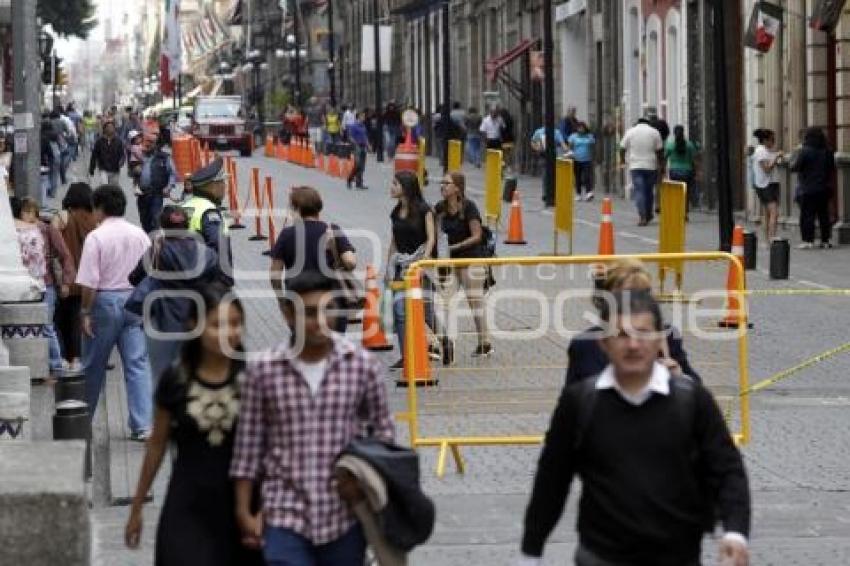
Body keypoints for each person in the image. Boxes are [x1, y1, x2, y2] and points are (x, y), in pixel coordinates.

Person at [520, 290, 751, 566]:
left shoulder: (692, 401)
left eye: (642, 334)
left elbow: (726, 469)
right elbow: (552, 480)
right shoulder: (580, 403)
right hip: (601, 555)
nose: (633, 345)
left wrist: (735, 532)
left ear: (658, 341)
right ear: (604, 343)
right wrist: (530, 552)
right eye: (621, 335)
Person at [231, 269, 395, 566]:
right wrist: (244, 510)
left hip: (344, 515)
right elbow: (248, 447)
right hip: (284, 513)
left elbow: (384, 434)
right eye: (308, 313)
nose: (319, 322)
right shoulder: (264, 370)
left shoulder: (362, 367)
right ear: (287, 314)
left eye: (327, 309)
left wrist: (367, 482)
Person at [125, 284, 264, 566]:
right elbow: (156, 446)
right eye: (217, 325)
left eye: (236, 324)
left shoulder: (256, 379)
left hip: (245, 506)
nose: (228, 333)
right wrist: (137, 506)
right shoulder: (175, 380)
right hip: (188, 502)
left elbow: (272, 450)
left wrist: (266, 511)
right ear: (194, 325)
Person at [76, 185, 153, 441]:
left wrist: (85, 311)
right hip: (135, 301)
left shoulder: (96, 237)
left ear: (99, 208)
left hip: (105, 303)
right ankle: (142, 425)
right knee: (137, 364)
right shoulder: (140, 234)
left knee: (93, 364)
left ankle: (82, 420)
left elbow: (89, 281)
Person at [127, 206, 225, 383]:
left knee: (163, 378)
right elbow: (219, 283)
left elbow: (134, 278)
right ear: (187, 226)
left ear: (162, 227)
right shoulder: (207, 253)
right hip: (198, 321)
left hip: (162, 323)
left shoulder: (156, 251)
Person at [565, 258, 700, 386]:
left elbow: (697, 391)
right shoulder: (584, 345)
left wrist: (679, 377)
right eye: (625, 296)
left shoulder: (666, 335)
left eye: (643, 294)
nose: (635, 302)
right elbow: (571, 403)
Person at [269, 186, 357, 334]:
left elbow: (275, 274)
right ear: (318, 208)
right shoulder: (331, 229)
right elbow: (350, 262)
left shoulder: (287, 235)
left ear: (296, 209)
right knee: (335, 349)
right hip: (333, 302)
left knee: (307, 351)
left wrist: (281, 299)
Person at [386, 170, 450, 369]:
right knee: (399, 313)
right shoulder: (395, 212)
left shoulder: (424, 210)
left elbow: (431, 237)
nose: (391, 187)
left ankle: (445, 342)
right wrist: (388, 267)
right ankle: (407, 356)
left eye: (395, 184)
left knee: (426, 312)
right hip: (401, 266)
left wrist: (423, 261)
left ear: (405, 188)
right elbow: (394, 241)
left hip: (420, 266)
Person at [13, 197, 76, 374]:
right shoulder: (17, 230)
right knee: (37, 325)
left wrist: (66, 282)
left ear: (35, 212)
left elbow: (65, 255)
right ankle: (47, 363)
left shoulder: (48, 230)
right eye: (24, 211)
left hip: (46, 283)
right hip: (27, 283)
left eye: (29, 211)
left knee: (46, 325)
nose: (26, 215)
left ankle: (56, 364)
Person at [434, 172, 492, 357]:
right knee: (442, 302)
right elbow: (436, 234)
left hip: (471, 260)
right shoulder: (439, 209)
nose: (442, 186)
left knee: (475, 302)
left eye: (447, 183)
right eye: (442, 182)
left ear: (457, 187)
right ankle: (444, 341)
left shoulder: (469, 207)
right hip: (449, 262)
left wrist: (455, 246)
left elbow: (477, 236)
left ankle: (485, 343)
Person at [52, 183, 98, 371]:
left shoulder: (64, 218)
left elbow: (55, 247)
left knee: (62, 320)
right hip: (87, 282)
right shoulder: (94, 220)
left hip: (68, 281)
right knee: (80, 319)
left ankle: (66, 357)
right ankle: (80, 357)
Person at [182, 157, 233, 284]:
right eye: (222, 182)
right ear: (212, 187)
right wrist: (224, 279)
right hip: (206, 282)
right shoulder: (208, 211)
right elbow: (218, 243)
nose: (225, 187)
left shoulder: (185, 206)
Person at [791, 127, 835, 249]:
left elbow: (794, 167)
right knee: (823, 215)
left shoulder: (804, 151)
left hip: (808, 188)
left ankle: (807, 240)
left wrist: (796, 153)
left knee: (807, 215)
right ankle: (825, 240)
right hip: (824, 188)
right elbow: (831, 168)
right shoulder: (828, 151)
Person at [620, 118, 664, 226]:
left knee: (639, 191)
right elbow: (659, 151)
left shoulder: (630, 131)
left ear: (637, 123)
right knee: (649, 191)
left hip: (636, 166)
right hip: (651, 166)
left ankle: (642, 216)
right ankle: (648, 214)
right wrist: (661, 165)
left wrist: (622, 160)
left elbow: (622, 148)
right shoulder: (654, 132)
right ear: (648, 123)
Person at [136, 133, 178, 235]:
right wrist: (135, 171)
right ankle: (147, 240)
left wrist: (168, 188)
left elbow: (173, 174)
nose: (147, 144)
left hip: (156, 194)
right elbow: (131, 172)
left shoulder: (164, 158)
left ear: (156, 144)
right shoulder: (139, 156)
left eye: (151, 142)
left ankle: (156, 242)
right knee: (144, 220)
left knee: (156, 219)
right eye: (146, 141)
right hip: (142, 194)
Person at [752, 128, 784, 243]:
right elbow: (766, 168)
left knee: (767, 213)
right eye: (772, 140)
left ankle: (767, 239)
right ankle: (772, 238)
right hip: (766, 184)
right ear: (765, 140)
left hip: (766, 184)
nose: (773, 142)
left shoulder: (764, 150)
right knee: (774, 212)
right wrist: (776, 157)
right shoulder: (761, 151)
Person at [665, 125, 700, 218]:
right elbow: (695, 159)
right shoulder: (689, 145)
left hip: (674, 171)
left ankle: (678, 211)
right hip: (687, 171)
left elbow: (665, 157)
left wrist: (663, 170)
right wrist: (697, 171)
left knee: (676, 192)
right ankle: (685, 212)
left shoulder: (670, 145)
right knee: (686, 193)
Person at [531, 124, 568, 207]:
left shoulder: (556, 132)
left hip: (554, 156)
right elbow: (533, 142)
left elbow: (562, 143)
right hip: (543, 156)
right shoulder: (539, 131)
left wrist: (566, 150)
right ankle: (546, 193)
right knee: (545, 174)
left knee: (553, 175)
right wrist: (537, 148)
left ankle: (552, 193)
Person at [89, 120, 125, 186]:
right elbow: (94, 155)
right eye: (108, 127)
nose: (110, 128)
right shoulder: (99, 141)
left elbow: (122, 154)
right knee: (104, 185)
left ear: (114, 129)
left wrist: (121, 161)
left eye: (112, 127)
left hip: (115, 169)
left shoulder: (118, 141)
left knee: (113, 187)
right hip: (103, 168)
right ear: (104, 129)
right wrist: (92, 168)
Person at [567, 122, 597, 202]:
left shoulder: (589, 136)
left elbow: (593, 147)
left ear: (585, 128)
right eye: (579, 128)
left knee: (587, 177)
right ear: (577, 128)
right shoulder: (573, 137)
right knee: (578, 177)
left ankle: (589, 193)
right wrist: (570, 153)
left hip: (587, 160)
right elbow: (570, 147)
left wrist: (594, 158)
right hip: (576, 160)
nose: (581, 129)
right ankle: (578, 194)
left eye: (582, 128)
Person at [345, 111, 370, 190]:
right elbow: (350, 137)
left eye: (364, 116)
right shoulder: (353, 126)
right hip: (357, 146)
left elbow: (365, 136)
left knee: (362, 166)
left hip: (363, 146)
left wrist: (368, 145)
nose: (364, 118)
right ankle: (350, 179)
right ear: (358, 117)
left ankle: (359, 183)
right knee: (358, 164)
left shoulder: (363, 126)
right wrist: (355, 143)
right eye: (362, 116)